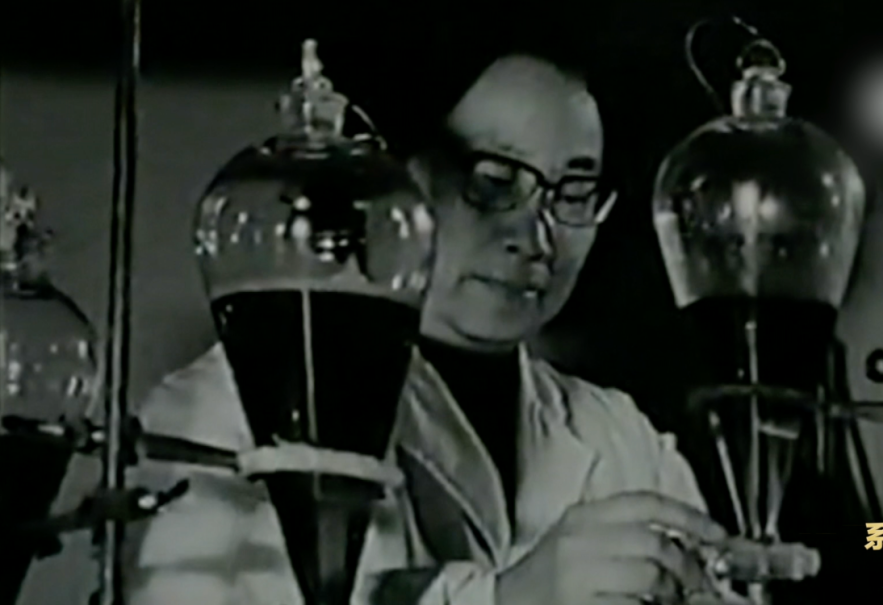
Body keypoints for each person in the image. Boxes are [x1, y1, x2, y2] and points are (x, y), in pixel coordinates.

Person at [126, 53, 742, 605]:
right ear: (395, 175)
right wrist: (504, 600)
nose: (537, 238)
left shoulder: (622, 438)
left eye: (574, 193)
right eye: (493, 183)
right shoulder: (228, 407)